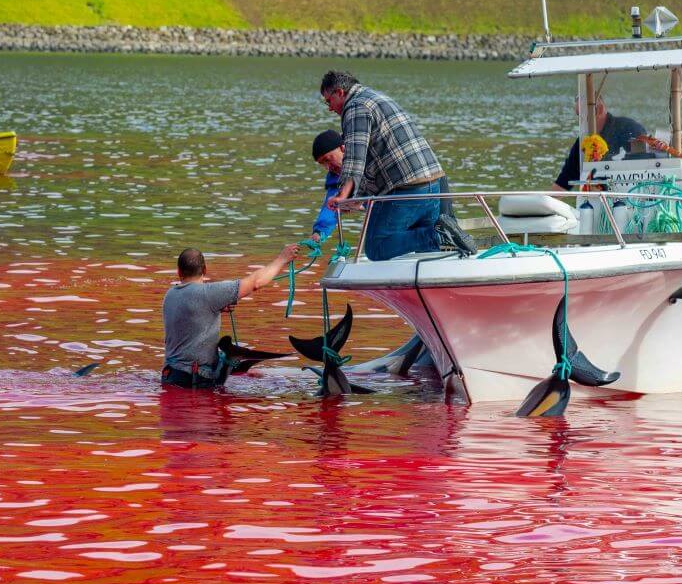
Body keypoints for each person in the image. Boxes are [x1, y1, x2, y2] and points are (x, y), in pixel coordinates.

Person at [320, 71, 474, 260]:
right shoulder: (378, 98)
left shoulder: (354, 107)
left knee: (376, 247)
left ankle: (439, 237)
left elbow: (355, 157)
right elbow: (377, 161)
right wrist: (356, 198)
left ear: (340, 92)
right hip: (434, 183)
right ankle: (441, 243)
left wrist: (344, 195)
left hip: (408, 188)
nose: (329, 108)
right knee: (426, 255)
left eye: (328, 101)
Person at [161, 244, 299, 390]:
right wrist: (282, 259)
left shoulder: (170, 295)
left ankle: (242, 371)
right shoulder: (208, 293)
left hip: (170, 375)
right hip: (195, 380)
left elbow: (190, 316)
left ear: (178, 272)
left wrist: (217, 309)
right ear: (205, 270)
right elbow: (256, 282)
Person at [310, 128, 458, 244]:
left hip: (425, 177)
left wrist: (362, 205)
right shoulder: (338, 175)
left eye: (328, 160)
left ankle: (451, 245)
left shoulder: (370, 149)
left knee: (443, 226)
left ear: (342, 148)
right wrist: (319, 233)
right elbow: (332, 205)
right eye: (323, 164)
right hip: (399, 202)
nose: (328, 167)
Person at [552, 96, 647, 191]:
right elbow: (564, 181)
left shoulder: (630, 128)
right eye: (579, 116)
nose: (580, 121)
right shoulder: (584, 142)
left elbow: (646, 166)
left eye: (583, 115)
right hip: (595, 199)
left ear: (600, 110)